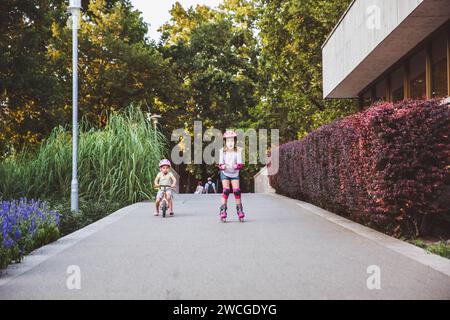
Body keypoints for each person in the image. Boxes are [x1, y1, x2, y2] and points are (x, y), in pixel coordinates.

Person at [218, 130, 245, 222]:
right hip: (225, 173)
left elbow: (240, 164)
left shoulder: (238, 151)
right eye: (228, 141)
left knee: (236, 191)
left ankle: (240, 210)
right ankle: (223, 210)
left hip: (234, 173)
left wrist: (237, 166)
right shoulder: (222, 151)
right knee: (226, 190)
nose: (230, 143)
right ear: (225, 142)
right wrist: (223, 166)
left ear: (235, 141)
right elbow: (220, 164)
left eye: (232, 141)